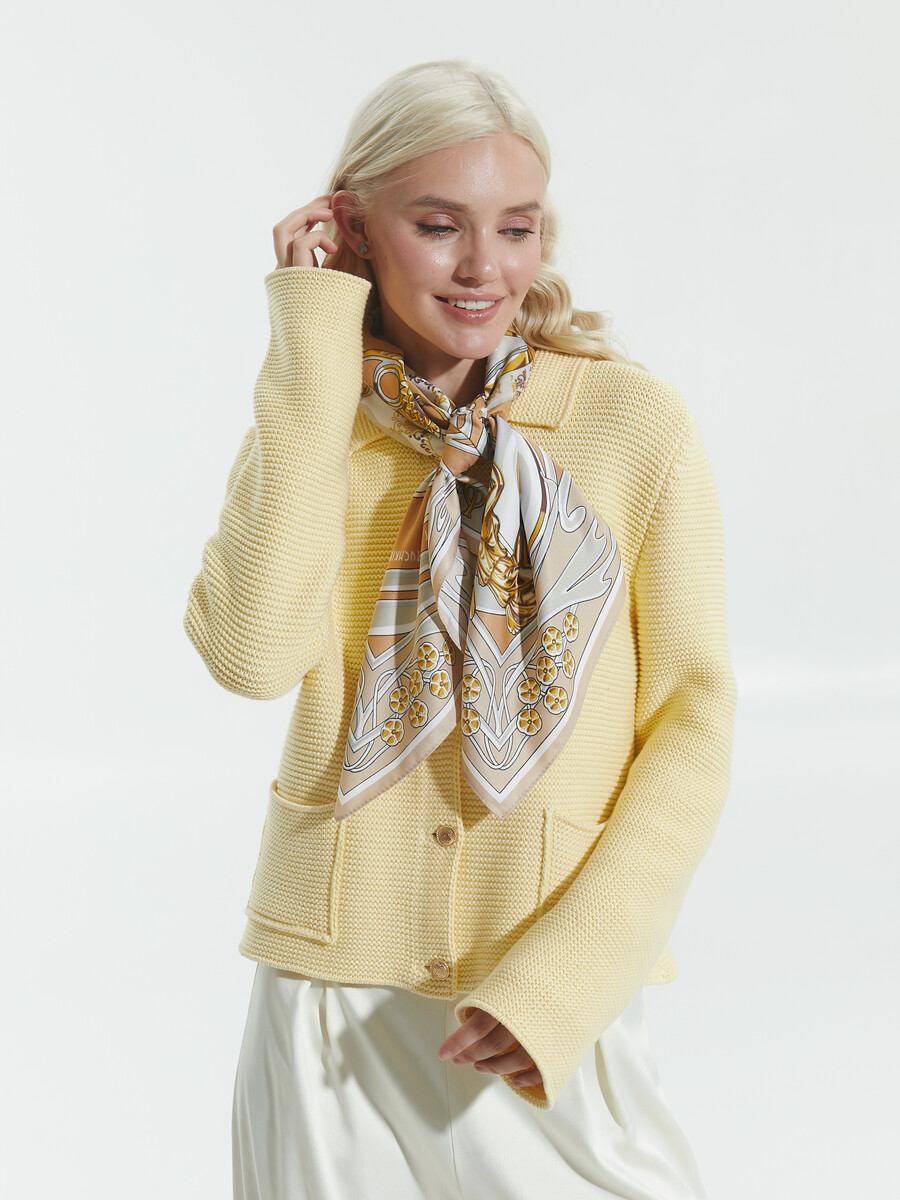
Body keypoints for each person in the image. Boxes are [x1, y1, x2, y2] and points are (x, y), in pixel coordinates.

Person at [183, 58, 737, 1200]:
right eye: (439, 226)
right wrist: (309, 344)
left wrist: (564, 983)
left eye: (516, 228)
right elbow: (248, 655)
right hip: (330, 1002)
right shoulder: (316, 421)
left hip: (538, 1004)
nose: (486, 267)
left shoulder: (631, 425)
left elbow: (693, 727)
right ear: (354, 226)